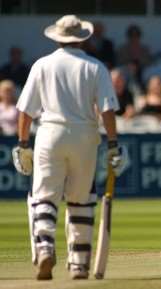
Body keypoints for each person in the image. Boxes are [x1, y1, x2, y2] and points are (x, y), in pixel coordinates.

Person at [11, 15, 128, 280]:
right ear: (82, 38)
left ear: (57, 37)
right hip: (85, 136)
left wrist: (22, 144)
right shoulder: (95, 66)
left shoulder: (42, 65)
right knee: (81, 200)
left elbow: (25, 111)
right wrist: (113, 145)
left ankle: (44, 248)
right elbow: (107, 110)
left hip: (49, 133)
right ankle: (78, 264)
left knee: (44, 197)